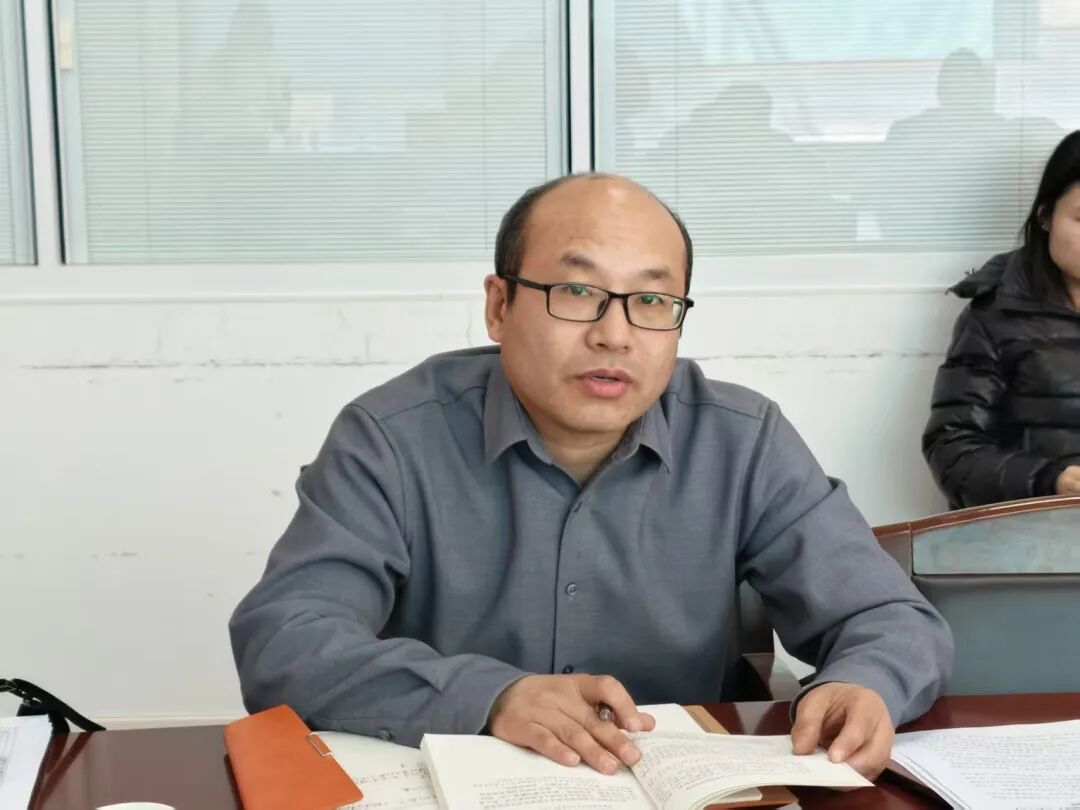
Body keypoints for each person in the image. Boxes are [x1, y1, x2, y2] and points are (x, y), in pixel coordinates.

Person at [230, 174, 952, 780]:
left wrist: (865, 683)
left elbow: (890, 618)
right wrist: (491, 696)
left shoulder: (742, 439)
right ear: (499, 306)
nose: (614, 334)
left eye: (652, 301)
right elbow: (285, 640)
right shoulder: (390, 437)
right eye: (576, 291)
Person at [924, 131, 1080, 508]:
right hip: (1037, 530)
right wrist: (1049, 481)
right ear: (1045, 217)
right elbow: (952, 449)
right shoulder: (997, 314)